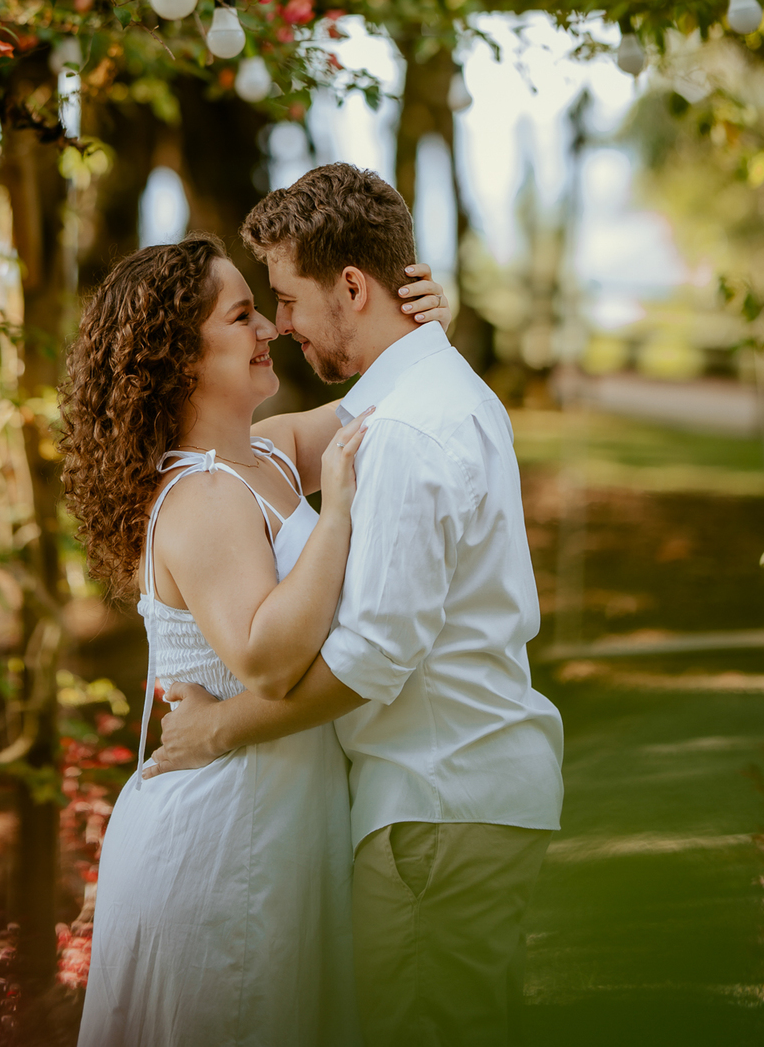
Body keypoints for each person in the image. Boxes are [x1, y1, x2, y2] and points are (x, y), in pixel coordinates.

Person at [146, 164, 565, 1047]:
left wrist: (217, 729)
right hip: (456, 794)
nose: (279, 324)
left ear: (351, 286)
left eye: (287, 300)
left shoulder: (406, 430)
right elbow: (257, 452)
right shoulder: (423, 392)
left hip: (436, 801)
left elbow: (372, 655)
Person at [61, 233, 450, 1047]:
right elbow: (268, 660)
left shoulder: (263, 457)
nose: (270, 328)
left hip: (276, 826)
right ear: (181, 359)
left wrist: (417, 328)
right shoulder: (200, 495)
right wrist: (336, 518)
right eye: (243, 316)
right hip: (219, 839)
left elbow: (384, 402)